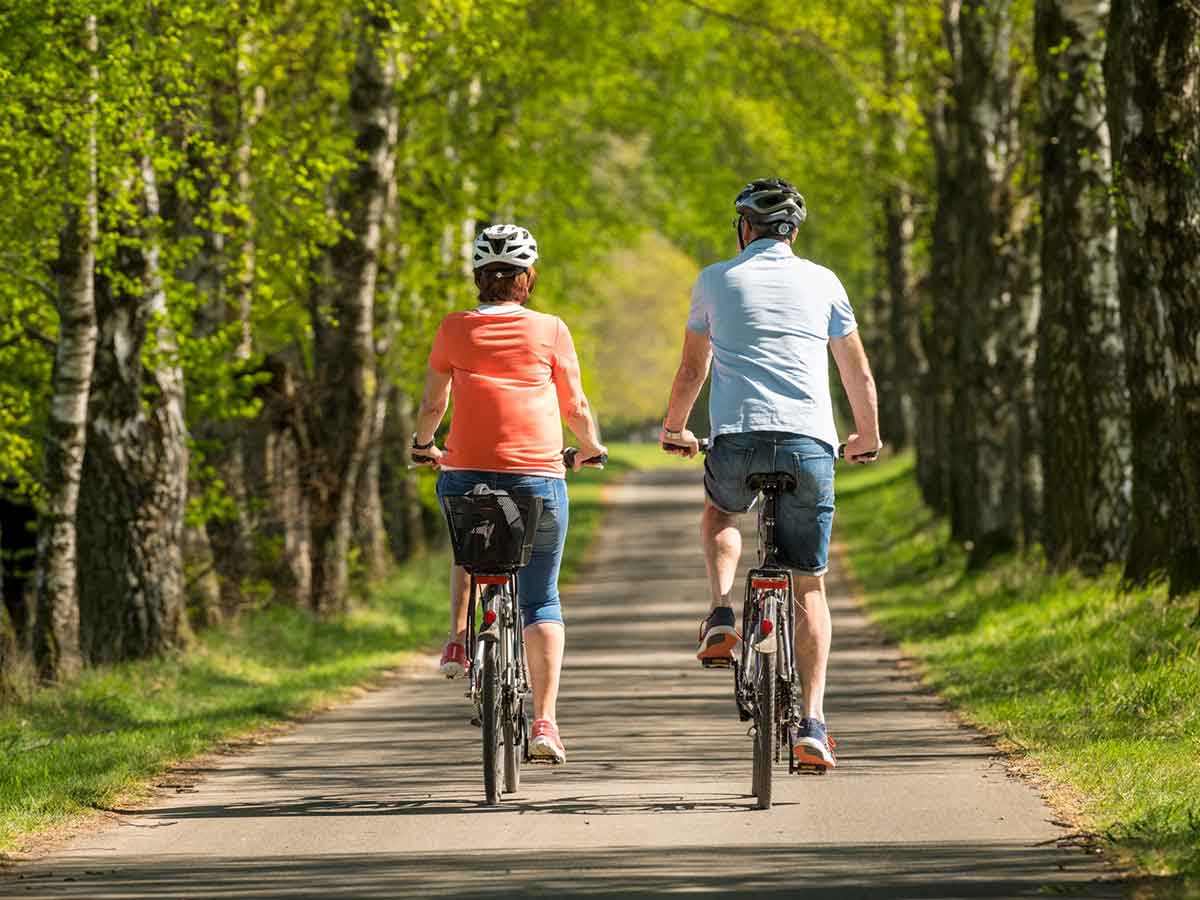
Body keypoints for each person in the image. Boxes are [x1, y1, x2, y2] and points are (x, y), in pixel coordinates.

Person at [660, 178, 881, 771]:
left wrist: (674, 427)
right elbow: (856, 371)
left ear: (744, 227)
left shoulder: (714, 279)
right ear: (793, 232)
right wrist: (867, 437)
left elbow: (691, 370)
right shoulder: (825, 281)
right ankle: (812, 722)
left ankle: (722, 612)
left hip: (737, 438)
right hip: (811, 442)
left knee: (723, 511)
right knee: (809, 584)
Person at [411, 223, 606, 764]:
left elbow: (433, 406)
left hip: (465, 473)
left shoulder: (453, 328)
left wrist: (424, 445)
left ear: (478, 278)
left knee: (468, 546)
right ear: (528, 280)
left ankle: (455, 638)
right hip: (537, 478)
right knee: (541, 598)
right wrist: (590, 448)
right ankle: (545, 721)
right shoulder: (551, 329)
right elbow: (576, 407)